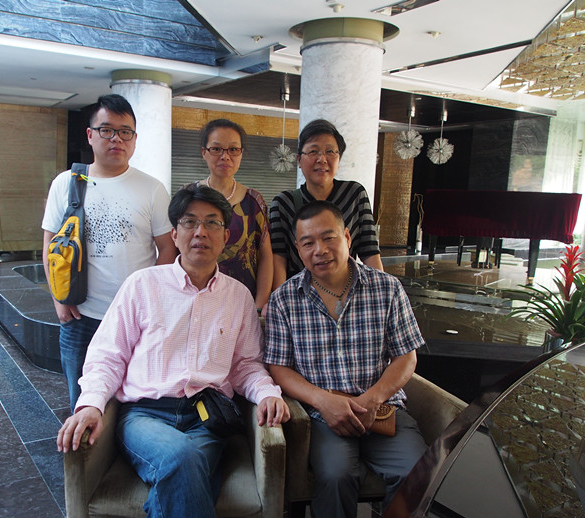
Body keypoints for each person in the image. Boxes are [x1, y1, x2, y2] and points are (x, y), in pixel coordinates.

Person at [57, 185, 290, 518]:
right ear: (175, 234)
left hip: (206, 420)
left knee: (172, 491)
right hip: (145, 417)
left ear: (226, 236)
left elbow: (246, 366)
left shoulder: (237, 297)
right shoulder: (142, 285)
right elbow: (107, 355)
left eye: (212, 223)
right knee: (181, 459)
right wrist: (90, 404)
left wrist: (268, 392)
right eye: (190, 223)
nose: (201, 232)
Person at [265, 201, 426, 518]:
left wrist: (372, 398)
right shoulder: (285, 300)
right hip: (325, 418)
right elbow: (278, 368)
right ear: (298, 249)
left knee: (421, 475)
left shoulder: (387, 288)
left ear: (347, 237)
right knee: (335, 477)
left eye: (328, 237)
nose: (319, 250)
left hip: (383, 410)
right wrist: (323, 401)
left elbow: (406, 357)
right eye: (307, 243)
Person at [42, 94, 177, 412]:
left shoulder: (152, 189)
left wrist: (152, 301)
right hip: (81, 315)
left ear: (135, 139)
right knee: (83, 402)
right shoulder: (66, 183)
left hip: (136, 318)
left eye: (125, 132)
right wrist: (58, 298)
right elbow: (50, 244)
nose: (117, 138)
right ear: (90, 135)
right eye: (107, 130)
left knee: (133, 401)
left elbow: (168, 248)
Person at [269, 119, 383, 290]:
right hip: (301, 293)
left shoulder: (354, 194)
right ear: (299, 160)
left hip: (345, 290)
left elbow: (370, 251)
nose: (322, 159)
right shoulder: (283, 203)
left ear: (339, 158)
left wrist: (380, 292)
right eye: (313, 151)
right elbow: (279, 259)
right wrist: (281, 299)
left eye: (330, 151)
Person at [184, 119, 273, 310]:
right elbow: (176, 248)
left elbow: (266, 257)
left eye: (233, 149)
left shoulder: (253, 201)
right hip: (194, 300)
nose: (225, 156)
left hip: (243, 304)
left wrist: (259, 305)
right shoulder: (188, 196)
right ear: (204, 152)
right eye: (216, 149)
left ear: (241, 153)